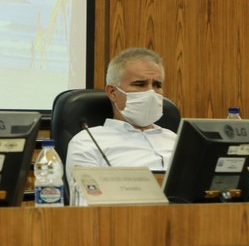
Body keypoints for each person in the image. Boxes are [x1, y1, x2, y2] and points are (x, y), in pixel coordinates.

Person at [65, 47, 177, 185]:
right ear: (112, 92)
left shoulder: (176, 140)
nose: (151, 92)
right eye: (140, 84)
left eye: (157, 85)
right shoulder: (87, 142)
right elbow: (86, 197)